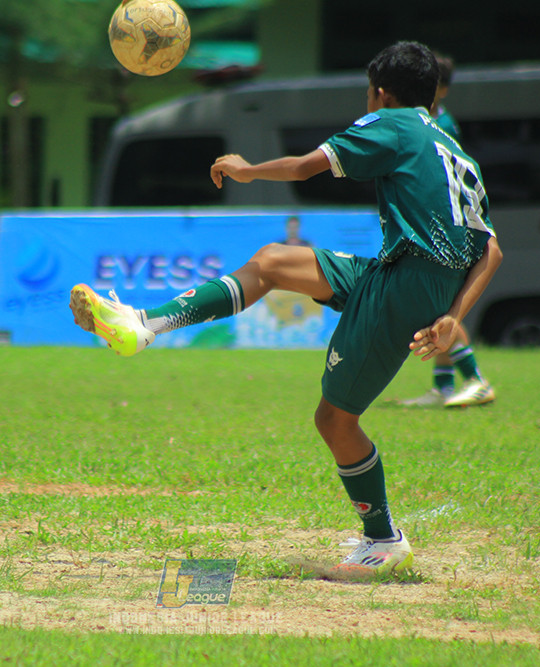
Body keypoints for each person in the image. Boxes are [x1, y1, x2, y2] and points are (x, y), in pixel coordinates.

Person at [70, 41, 502, 576]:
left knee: (335, 420)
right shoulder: (458, 151)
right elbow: (492, 250)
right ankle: (144, 324)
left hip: (403, 285)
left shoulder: (390, 123)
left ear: (382, 93)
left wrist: (246, 170)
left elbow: (303, 168)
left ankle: (383, 540)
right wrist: (454, 314)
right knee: (273, 261)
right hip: (404, 275)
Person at [400, 52, 496, 408]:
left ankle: (475, 379)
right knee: (435, 307)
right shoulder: (426, 118)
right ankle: (442, 387)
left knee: (441, 306)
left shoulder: (444, 125)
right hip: (434, 227)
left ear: (441, 88)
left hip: (448, 228)